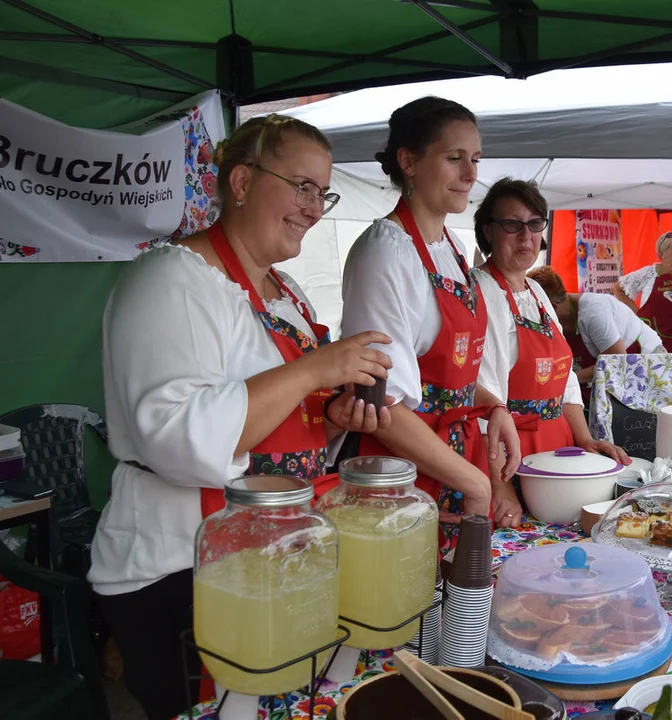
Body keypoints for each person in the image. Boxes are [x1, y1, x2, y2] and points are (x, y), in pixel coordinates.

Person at [87, 115, 393, 720]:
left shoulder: (289, 294)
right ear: (244, 181)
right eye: (301, 187)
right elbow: (176, 436)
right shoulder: (173, 278)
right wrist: (311, 371)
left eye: (322, 193)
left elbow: (283, 428)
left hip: (271, 551)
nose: (314, 208)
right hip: (179, 563)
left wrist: (333, 417)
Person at [339, 96, 521, 547]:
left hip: (454, 460)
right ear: (409, 161)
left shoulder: (451, 248)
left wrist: (494, 406)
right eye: (454, 158)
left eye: (475, 159)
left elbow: (444, 374)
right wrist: (476, 483)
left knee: (460, 610)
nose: (471, 175)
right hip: (403, 475)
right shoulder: (386, 250)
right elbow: (380, 404)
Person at [471, 180, 629, 523]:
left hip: (556, 447)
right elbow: (484, 402)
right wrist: (501, 488)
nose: (526, 236)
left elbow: (566, 379)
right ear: (488, 231)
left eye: (534, 223)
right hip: (507, 455)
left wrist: (584, 440)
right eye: (512, 225)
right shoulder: (480, 292)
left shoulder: (536, 292)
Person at [527, 266, 664, 403]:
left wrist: (567, 379)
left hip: (644, 365)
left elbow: (616, 362)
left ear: (552, 306)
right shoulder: (559, 318)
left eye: (535, 309)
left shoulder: (593, 313)